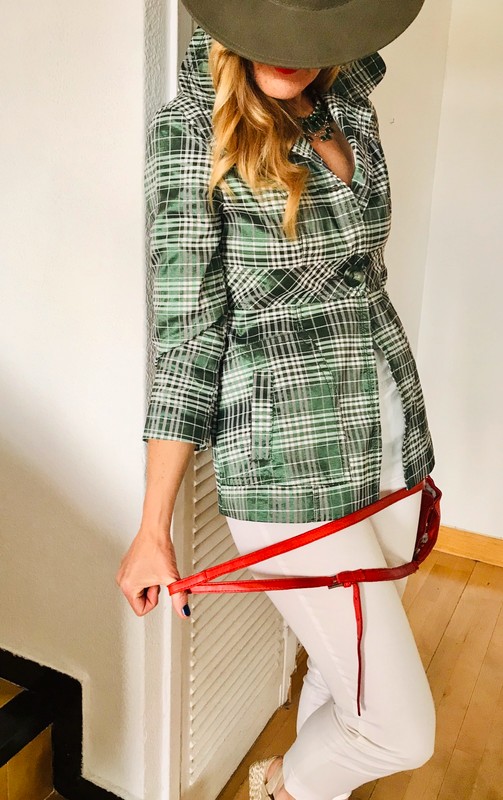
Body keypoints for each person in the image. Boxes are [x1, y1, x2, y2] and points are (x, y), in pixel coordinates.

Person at [116, 1, 437, 798]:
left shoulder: (343, 98)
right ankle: (282, 786)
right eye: (272, 21)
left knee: (338, 679)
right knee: (397, 730)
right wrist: (152, 527)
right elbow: (187, 341)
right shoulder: (190, 135)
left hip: (386, 435)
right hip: (287, 466)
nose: (289, 50)